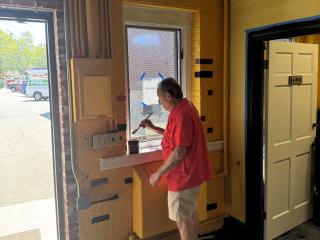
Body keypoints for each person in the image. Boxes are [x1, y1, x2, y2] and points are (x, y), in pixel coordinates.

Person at [140, 77, 212, 240]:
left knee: (183, 222)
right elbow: (175, 137)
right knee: (190, 214)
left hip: (183, 177)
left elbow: (179, 152)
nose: (160, 103)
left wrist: (158, 173)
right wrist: (153, 127)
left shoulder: (181, 114)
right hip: (190, 175)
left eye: (160, 98)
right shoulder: (186, 107)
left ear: (168, 95)